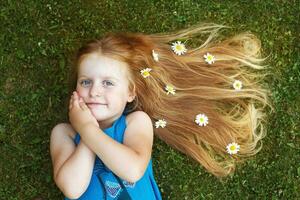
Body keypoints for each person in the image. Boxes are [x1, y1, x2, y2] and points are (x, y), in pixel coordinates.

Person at [50, 23, 273, 199]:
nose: (94, 92)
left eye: (108, 83)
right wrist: (84, 129)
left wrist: (88, 129)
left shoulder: (135, 123)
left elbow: (133, 170)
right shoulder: (65, 133)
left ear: (130, 93)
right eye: (86, 82)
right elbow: (72, 188)